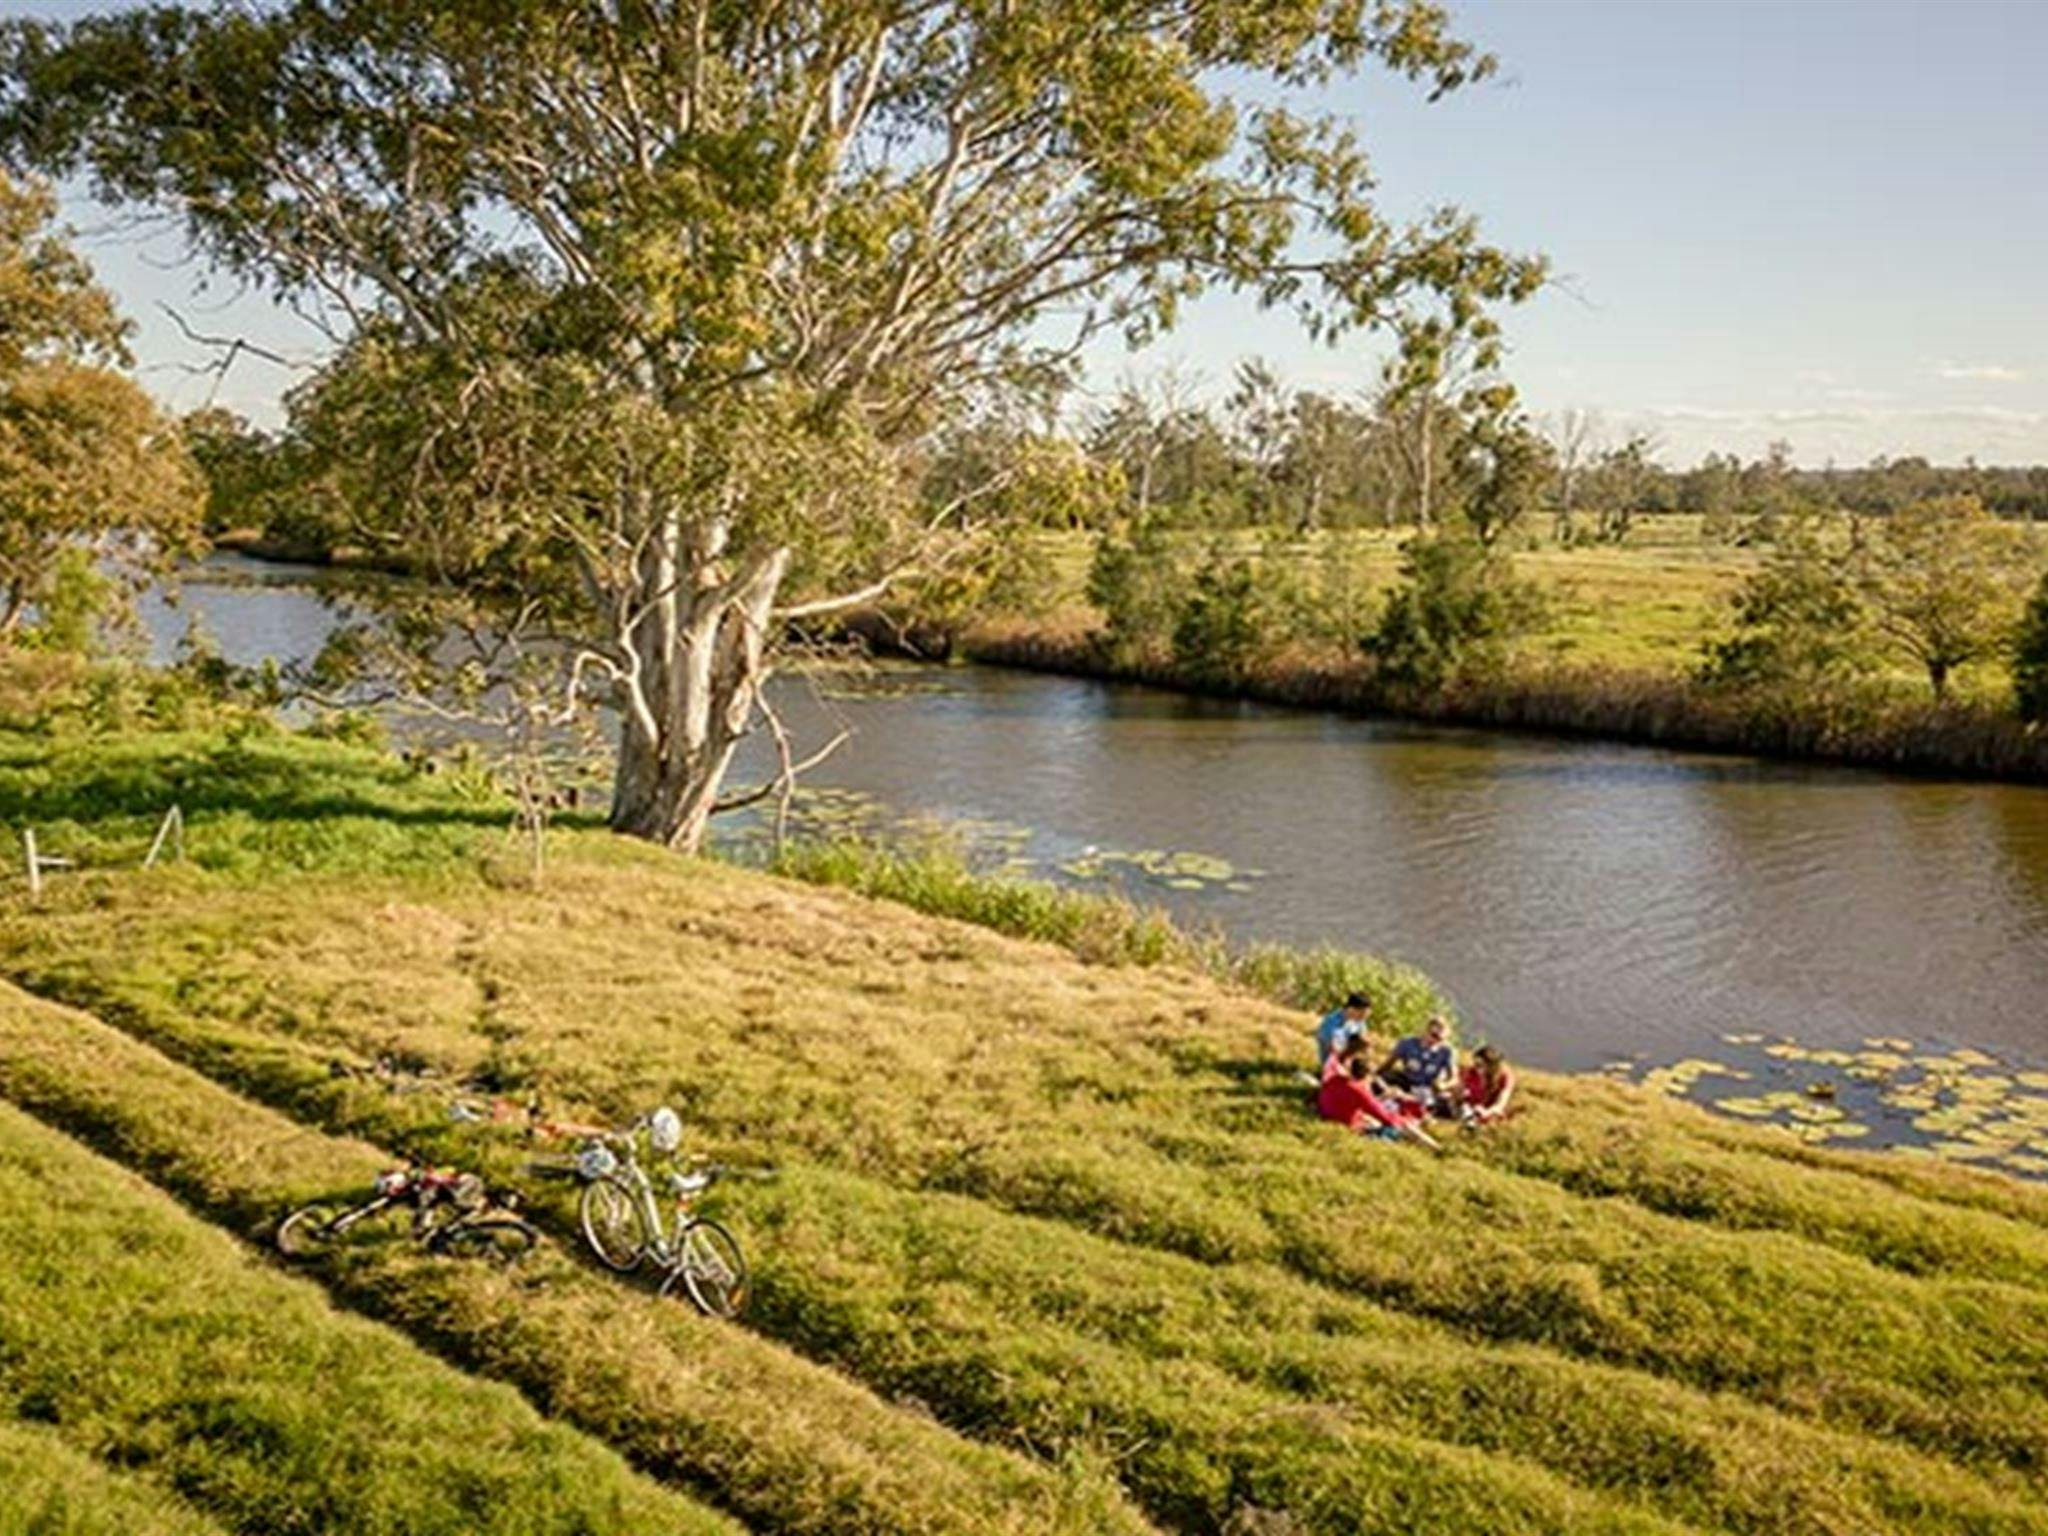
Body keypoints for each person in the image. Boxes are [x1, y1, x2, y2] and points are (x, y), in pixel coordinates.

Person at [1319, 1034, 1442, 1151]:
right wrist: (1405, 1120)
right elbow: (1385, 1118)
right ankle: (1436, 1148)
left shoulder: (1336, 1078)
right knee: (1401, 1126)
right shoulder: (1357, 1090)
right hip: (1350, 1127)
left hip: (1333, 1115)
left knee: (1381, 1113)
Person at [1374, 1015, 1458, 1115]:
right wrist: (1374, 1075)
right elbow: (1388, 1064)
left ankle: (1418, 1105)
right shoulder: (1407, 1043)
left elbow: (1454, 1078)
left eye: (1440, 1039)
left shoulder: (1446, 1051)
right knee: (1384, 1078)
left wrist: (1444, 1085)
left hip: (1428, 1086)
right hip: (1407, 1081)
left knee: (1447, 1103)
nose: (1436, 1041)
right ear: (1426, 1031)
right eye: (1433, 1035)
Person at [1455, 1044, 1516, 1126]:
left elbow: (1501, 1103)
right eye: (1475, 1063)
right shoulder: (1472, 1072)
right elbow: (1462, 1091)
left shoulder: (1505, 1076)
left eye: (1479, 1065)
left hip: (1489, 1110)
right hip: (1471, 1106)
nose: (1476, 1067)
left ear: (1491, 1065)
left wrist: (1487, 1111)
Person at [1314, 992, 1373, 1070]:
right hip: (1332, 1064)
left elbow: (1364, 1042)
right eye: (1361, 1015)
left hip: (1349, 1061)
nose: (1361, 1019)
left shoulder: (1358, 1021)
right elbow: (1334, 1051)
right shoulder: (1332, 1023)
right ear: (1351, 1009)